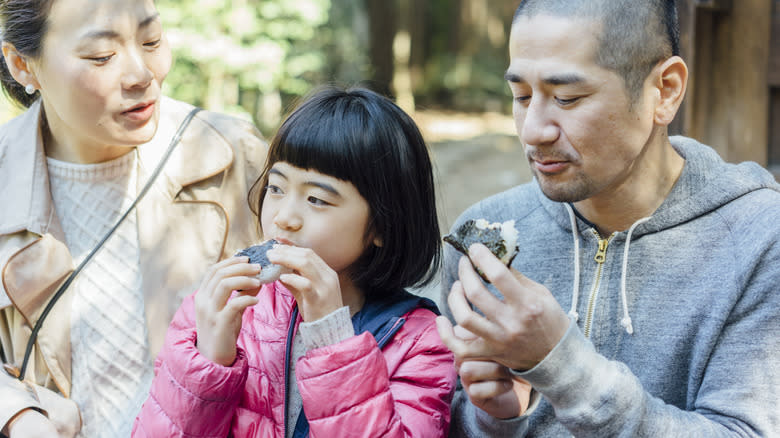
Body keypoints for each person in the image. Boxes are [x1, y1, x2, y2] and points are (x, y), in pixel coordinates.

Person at [436, 0, 780, 436]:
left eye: (567, 98)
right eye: (521, 96)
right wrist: (497, 416)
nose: (532, 130)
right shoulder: (483, 236)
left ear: (666, 90)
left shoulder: (760, 239)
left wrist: (562, 366)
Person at [0, 0, 268, 436]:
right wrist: (17, 413)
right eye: (101, 56)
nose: (142, 74)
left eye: (151, 40)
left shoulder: (234, 156)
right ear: (22, 65)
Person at [132, 86, 457, 437]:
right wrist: (208, 361)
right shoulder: (216, 311)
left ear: (382, 224)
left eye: (316, 198)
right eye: (276, 188)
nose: (284, 217)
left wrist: (332, 341)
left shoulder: (422, 343)